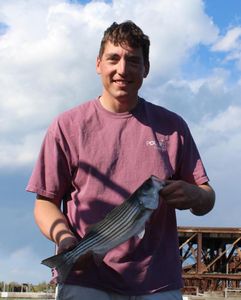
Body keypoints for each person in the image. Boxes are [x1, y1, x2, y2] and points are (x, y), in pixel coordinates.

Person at [26, 20, 215, 300]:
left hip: (158, 283)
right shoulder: (67, 125)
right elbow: (45, 203)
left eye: (133, 61)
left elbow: (207, 196)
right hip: (84, 280)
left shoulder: (173, 126)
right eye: (113, 58)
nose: (122, 69)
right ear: (98, 63)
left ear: (146, 69)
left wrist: (195, 196)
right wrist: (65, 239)